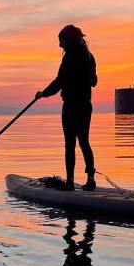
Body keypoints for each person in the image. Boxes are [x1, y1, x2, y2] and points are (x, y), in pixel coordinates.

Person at [35, 24, 97, 191]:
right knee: (84, 141)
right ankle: (91, 180)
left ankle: (70, 182)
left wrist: (43, 94)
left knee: (70, 144)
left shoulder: (69, 57)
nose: (60, 45)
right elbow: (94, 81)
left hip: (71, 106)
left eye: (61, 41)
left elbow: (59, 81)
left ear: (69, 40)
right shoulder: (89, 56)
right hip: (85, 105)